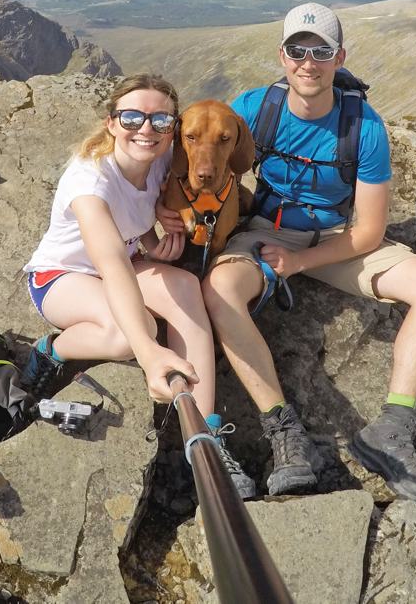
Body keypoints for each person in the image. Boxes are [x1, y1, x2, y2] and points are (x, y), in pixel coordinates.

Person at [165, 2, 416, 510]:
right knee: (219, 291)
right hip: (264, 230)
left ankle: (393, 426)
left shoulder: (364, 128)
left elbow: (369, 231)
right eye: (298, 50)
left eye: (320, 52)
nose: (308, 62)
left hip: (337, 240)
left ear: (338, 57)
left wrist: (297, 264)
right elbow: (200, 154)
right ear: (282, 55)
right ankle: (283, 430)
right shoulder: (254, 109)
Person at [21, 74, 256, 498]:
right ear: (112, 122)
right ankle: (52, 351)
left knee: (185, 288)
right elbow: (110, 264)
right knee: (129, 333)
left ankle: (204, 440)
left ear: (171, 128)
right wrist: (149, 354)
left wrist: (154, 234)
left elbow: (170, 201)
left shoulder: (165, 158)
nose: (146, 129)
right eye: (132, 117)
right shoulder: (89, 180)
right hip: (63, 277)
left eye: (160, 120)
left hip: (130, 262)